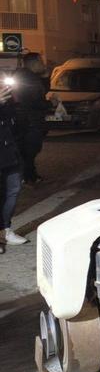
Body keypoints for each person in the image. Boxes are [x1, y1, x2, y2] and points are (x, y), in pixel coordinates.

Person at [13, 53, 52, 185]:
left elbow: (40, 93)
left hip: (25, 119)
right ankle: (27, 176)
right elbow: (34, 101)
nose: (43, 64)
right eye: (41, 61)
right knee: (31, 149)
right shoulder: (28, 78)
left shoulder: (25, 76)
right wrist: (51, 103)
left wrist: (46, 78)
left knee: (28, 150)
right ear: (34, 63)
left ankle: (30, 175)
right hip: (30, 120)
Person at [1, 81, 26, 249]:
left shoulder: (6, 102)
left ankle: (6, 230)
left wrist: (13, 100)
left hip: (9, 152)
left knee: (13, 189)